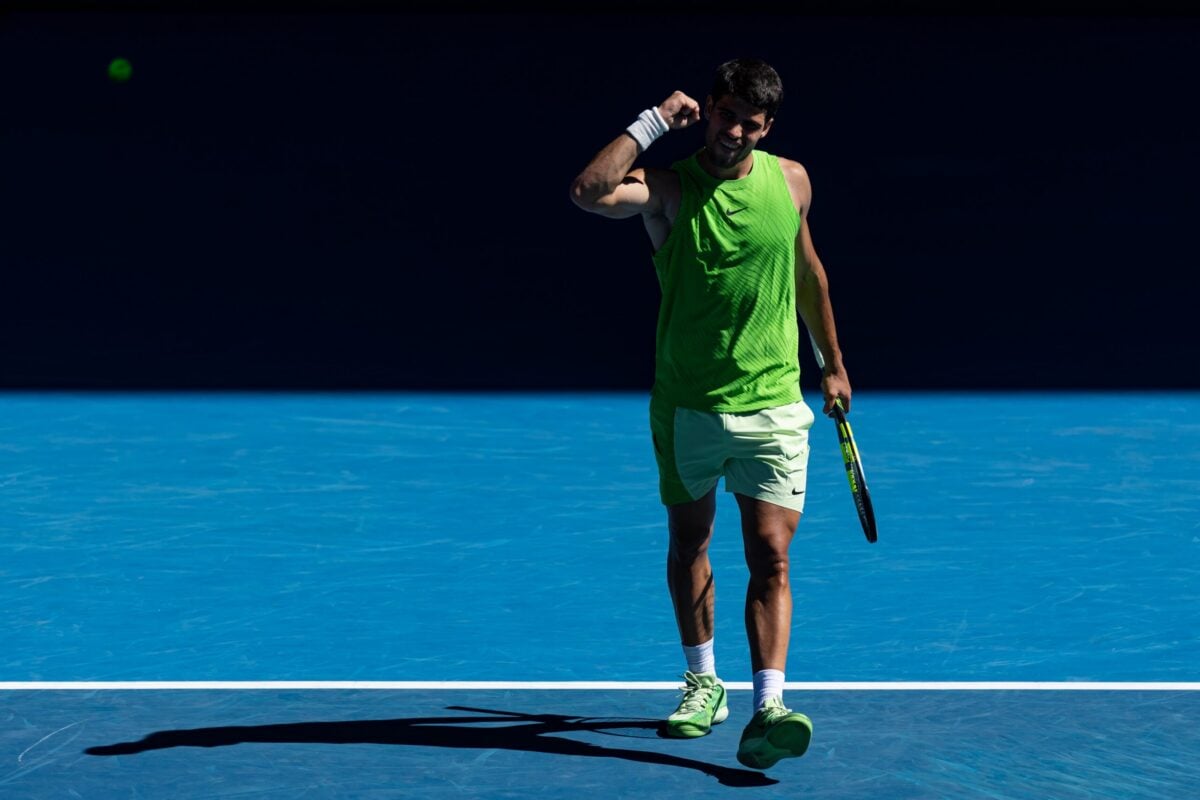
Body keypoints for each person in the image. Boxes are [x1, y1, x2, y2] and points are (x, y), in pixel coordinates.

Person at [569, 57, 853, 770]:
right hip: (688, 406)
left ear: (768, 126)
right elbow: (587, 191)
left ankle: (769, 702)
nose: (734, 134)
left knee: (771, 555)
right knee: (690, 543)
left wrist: (834, 362)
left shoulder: (791, 181)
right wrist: (654, 122)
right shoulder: (668, 190)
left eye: (750, 125)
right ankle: (703, 681)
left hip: (775, 406)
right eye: (725, 116)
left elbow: (809, 271)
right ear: (711, 108)